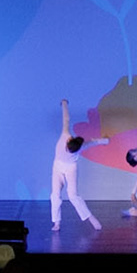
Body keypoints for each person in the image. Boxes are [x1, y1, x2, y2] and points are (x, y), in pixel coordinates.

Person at [48, 97, 107, 233]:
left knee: (73, 195)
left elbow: (93, 142)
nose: (67, 149)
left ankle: (91, 218)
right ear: (69, 141)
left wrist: (105, 141)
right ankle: (57, 222)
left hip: (70, 168)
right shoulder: (65, 135)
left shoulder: (80, 147)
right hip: (57, 167)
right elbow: (66, 119)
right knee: (55, 195)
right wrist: (64, 104)